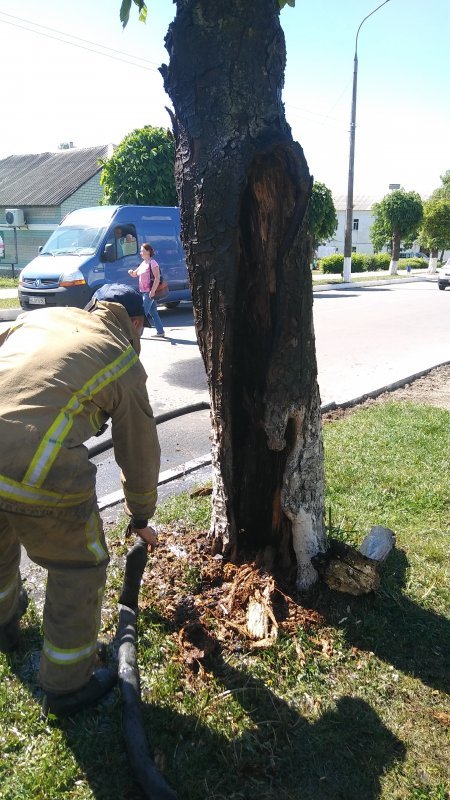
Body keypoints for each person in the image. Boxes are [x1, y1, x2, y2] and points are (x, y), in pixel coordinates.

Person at [0, 284, 161, 716]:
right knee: (79, 564)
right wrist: (141, 512)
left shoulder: (38, 318)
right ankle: (68, 683)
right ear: (136, 323)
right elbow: (139, 450)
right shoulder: (121, 356)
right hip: (37, 466)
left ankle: (3, 625)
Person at [128, 243, 165, 338]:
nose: (141, 253)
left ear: (148, 252)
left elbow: (157, 278)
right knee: (154, 313)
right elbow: (135, 274)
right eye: (141, 251)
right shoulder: (143, 263)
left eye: (143, 251)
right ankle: (160, 332)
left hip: (149, 292)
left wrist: (152, 291)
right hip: (144, 291)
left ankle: (137, 334)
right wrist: (131, 272)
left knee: (142, 313)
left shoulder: (153, 263)